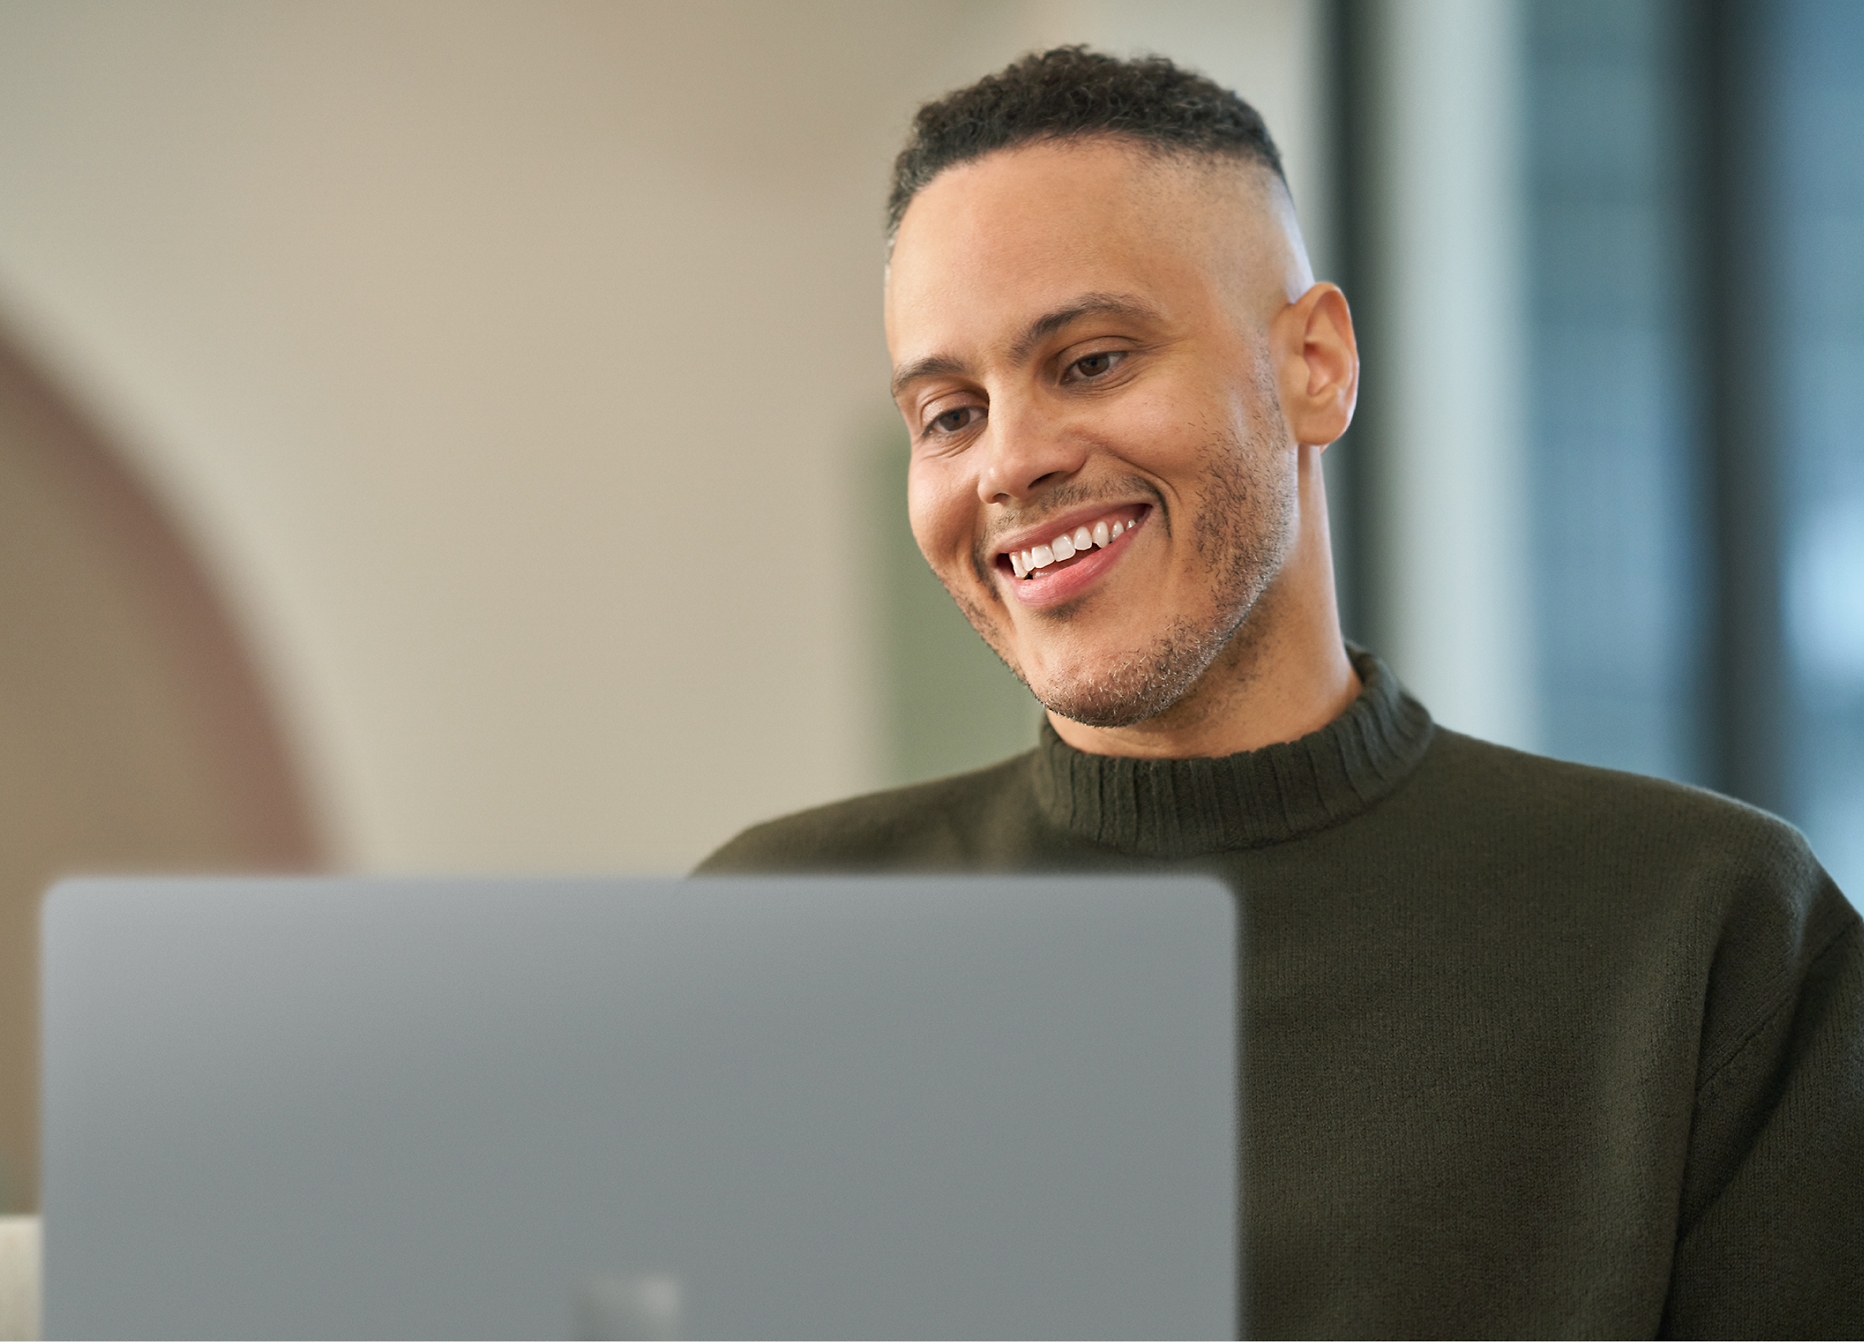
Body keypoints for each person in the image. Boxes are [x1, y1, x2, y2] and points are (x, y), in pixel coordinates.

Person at [697, 47, 1864, 1337]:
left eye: (1089, 361)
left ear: (1315, 362)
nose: (1011, 462)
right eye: (950, 413)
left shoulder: (1709, 937)